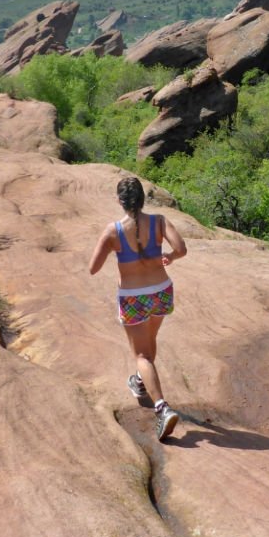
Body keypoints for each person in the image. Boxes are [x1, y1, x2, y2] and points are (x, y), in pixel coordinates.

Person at [89, 176, 187, 441]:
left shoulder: (113, 230)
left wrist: (114, 249)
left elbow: (93, 268)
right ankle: (141, 382)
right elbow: (181, 248)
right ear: (143, 200)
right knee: (150, 341)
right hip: (161, 290)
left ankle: (162, 408)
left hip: (133, 296)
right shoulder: (159, 222)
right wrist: (170, 257)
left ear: (120, 201)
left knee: (142, 355)